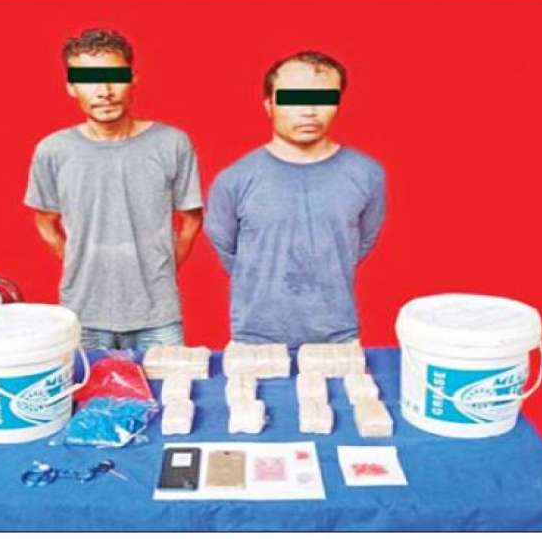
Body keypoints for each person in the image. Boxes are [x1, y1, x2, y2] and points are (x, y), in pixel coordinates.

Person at [25, 28, 204, 351]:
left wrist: (160, 267)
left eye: (115, 77)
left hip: (158, 315)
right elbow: (45, 221)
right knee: (85, 386)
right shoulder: (53, 150)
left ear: (133, 78)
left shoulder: (172, 143)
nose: (104, 91)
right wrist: (80, 262)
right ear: (71, 87)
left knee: (170, 384)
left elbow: (191, 219)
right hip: (83, 313)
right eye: (89, 80)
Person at [204, 51, 386, 351]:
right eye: (294, 98)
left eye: (323, 98)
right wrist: (263, 276)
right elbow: (225, 245)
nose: (309, 111)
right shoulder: (234, 179)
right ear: (269, 105)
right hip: (255, 337)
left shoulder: (367, 174)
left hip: (337, 336)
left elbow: (361, 243)